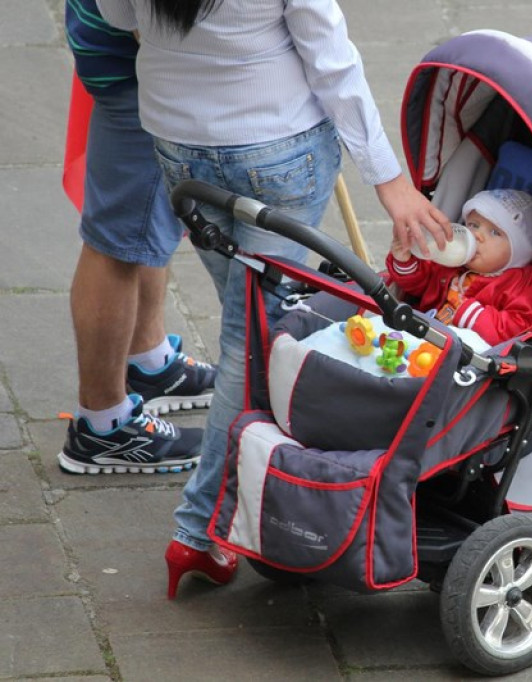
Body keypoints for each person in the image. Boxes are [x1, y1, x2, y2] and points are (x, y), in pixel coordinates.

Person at [94, 0, 451, 598]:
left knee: (249, 326)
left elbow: (113, 13)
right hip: (273, 150)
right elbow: (332, 61)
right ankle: (201, 529)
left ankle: (260, 476)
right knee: (248, 341)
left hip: (177, 142)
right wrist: (390, 182)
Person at [58, 0, 217, 476]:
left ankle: (148, 364)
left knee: (146, 220)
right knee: (118, 243)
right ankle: (103, 426)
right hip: (140, 54)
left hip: (140, 48)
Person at [386, 189, 532, 345]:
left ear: (519, 252)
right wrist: (405, 261)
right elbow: (419, 285)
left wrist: (472, 313)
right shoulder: (454, 261)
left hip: (463, 354)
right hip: (421, 330)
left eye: (495, 233)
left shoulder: (520, 282)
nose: (477, 235)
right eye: (474, 225)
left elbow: (517, 328)